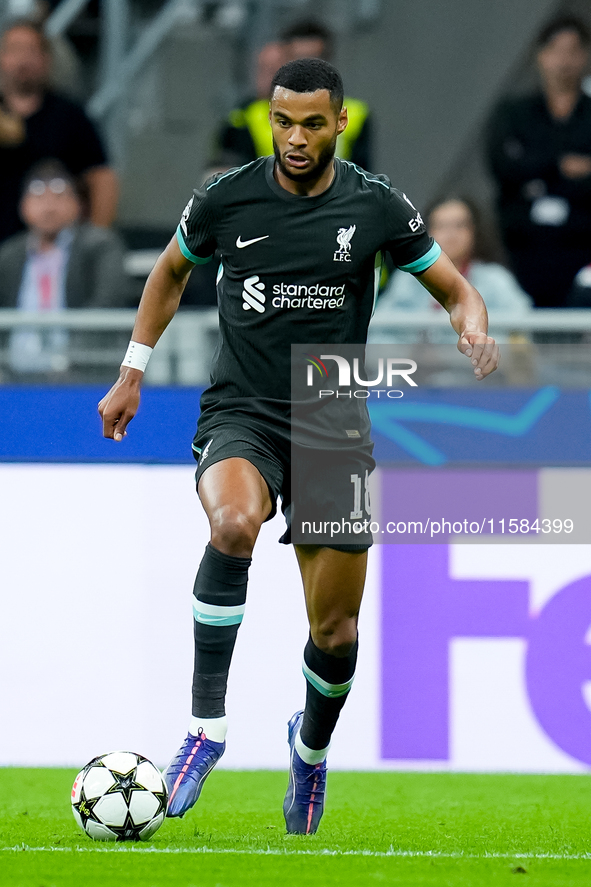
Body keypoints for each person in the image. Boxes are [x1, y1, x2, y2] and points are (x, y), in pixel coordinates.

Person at [99, 58, 498, 835]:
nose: (296, 136)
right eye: (284, 120)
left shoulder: (375, 204)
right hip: (241, 405)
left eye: (313, 122)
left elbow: (453, 286)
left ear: (339, 123)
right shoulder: (226, 196)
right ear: (269, 118)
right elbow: (170, 273)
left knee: (335, 632)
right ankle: (204, 730)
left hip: (330, 414)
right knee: (231, 524)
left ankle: (309, 751)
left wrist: (470, 323)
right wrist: (131, 372)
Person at [487, 15, 591, 307]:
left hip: (582, 244)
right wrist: (562, 165)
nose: (564, 60)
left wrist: (536, 174)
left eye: (572, 51)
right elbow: (504, 167)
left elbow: (522, 168)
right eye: (556, 50)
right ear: (541, 56)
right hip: (523, 244)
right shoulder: (514, 114)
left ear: (584, 55)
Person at [0, 159, 127, 375]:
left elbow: (107, 303)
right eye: (39, 198)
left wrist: (68, 357)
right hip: (13, 374)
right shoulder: (9, 255)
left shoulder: (100, 246)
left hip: (79, 373)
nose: (49, 207)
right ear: (23, 206)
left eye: (59, 197)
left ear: (77, 205)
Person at [0, 18, 118, 244]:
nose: (22, 60)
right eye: (14, 50)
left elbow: (102, 179)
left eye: (31, 51)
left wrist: (95, 240)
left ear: (46, 59)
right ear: (2, 58)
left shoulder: (70, 117)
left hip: (53, 252)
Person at [371, 196, 532, 343]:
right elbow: (378, 333)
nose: (451, 234)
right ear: (426, 231)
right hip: (416, 371)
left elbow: (522, 334)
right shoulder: (407, 279)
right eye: (442, 226)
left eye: (460, 226)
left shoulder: (496, 280)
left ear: (474, 231)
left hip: (477, 372)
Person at [217, 19, 372, 170]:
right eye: (296, 59)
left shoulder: (356, 115)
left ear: (329, 60)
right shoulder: (246, 117)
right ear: (283, 60)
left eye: (314, 59)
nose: (305, 68)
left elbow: (362, 179)